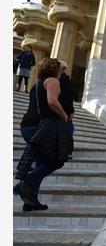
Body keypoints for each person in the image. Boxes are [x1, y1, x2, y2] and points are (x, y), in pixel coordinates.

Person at [13, 58, 73, 211]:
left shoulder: (37, 83)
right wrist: (64, 116)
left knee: (41, 163)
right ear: (55, 69)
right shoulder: (53, 81)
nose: (62, 72)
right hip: (40, 126)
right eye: (60, 69)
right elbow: (52, 101)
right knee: (56, 160)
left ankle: (30, 201)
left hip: (28, 125)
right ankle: (25, 184)